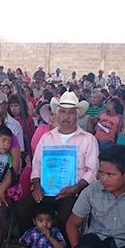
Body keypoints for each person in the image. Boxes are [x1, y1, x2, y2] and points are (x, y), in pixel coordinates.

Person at [17, 91, 98, 234]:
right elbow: (37, 165)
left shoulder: (88, 139)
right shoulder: (46, 138)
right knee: (22, 209)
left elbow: (92, 171)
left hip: (73, 192)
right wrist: (36, 185)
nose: (66, 116)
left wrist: (76, 188)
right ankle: (34, 246)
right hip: (45, 189)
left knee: (65, 218)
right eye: (63, 112)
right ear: (57, 114)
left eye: (71, 113)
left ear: (77, 115)